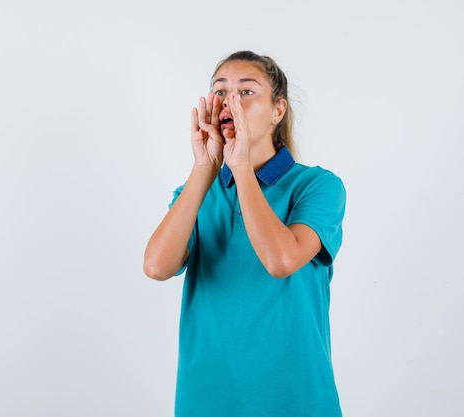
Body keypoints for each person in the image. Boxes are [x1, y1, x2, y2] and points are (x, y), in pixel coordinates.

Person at [143, 51, 346, 417]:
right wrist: (205, 169)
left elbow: (281, 260)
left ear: (277, 111)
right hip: (205, 400)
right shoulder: (196, 191)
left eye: (246, 92)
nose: (228, 101)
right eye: (219, 91)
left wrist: (240, 167)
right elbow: (157, 266)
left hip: (294, 400)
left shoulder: (318, 186)